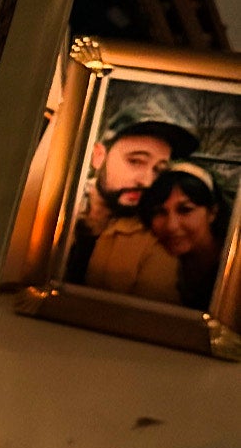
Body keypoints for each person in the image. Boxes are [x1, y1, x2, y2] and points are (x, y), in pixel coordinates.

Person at [64, 108, 196, 300]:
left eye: (158, 170)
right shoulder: (55, 208)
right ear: (99, 156)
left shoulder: (155, 240)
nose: (147, 181)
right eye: (136, 161)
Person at [142, 161, 231, 312]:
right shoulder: (153, 258)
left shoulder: (233, 269)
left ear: (212, 213)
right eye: (160, 212)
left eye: (185, 210)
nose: (171, 226)